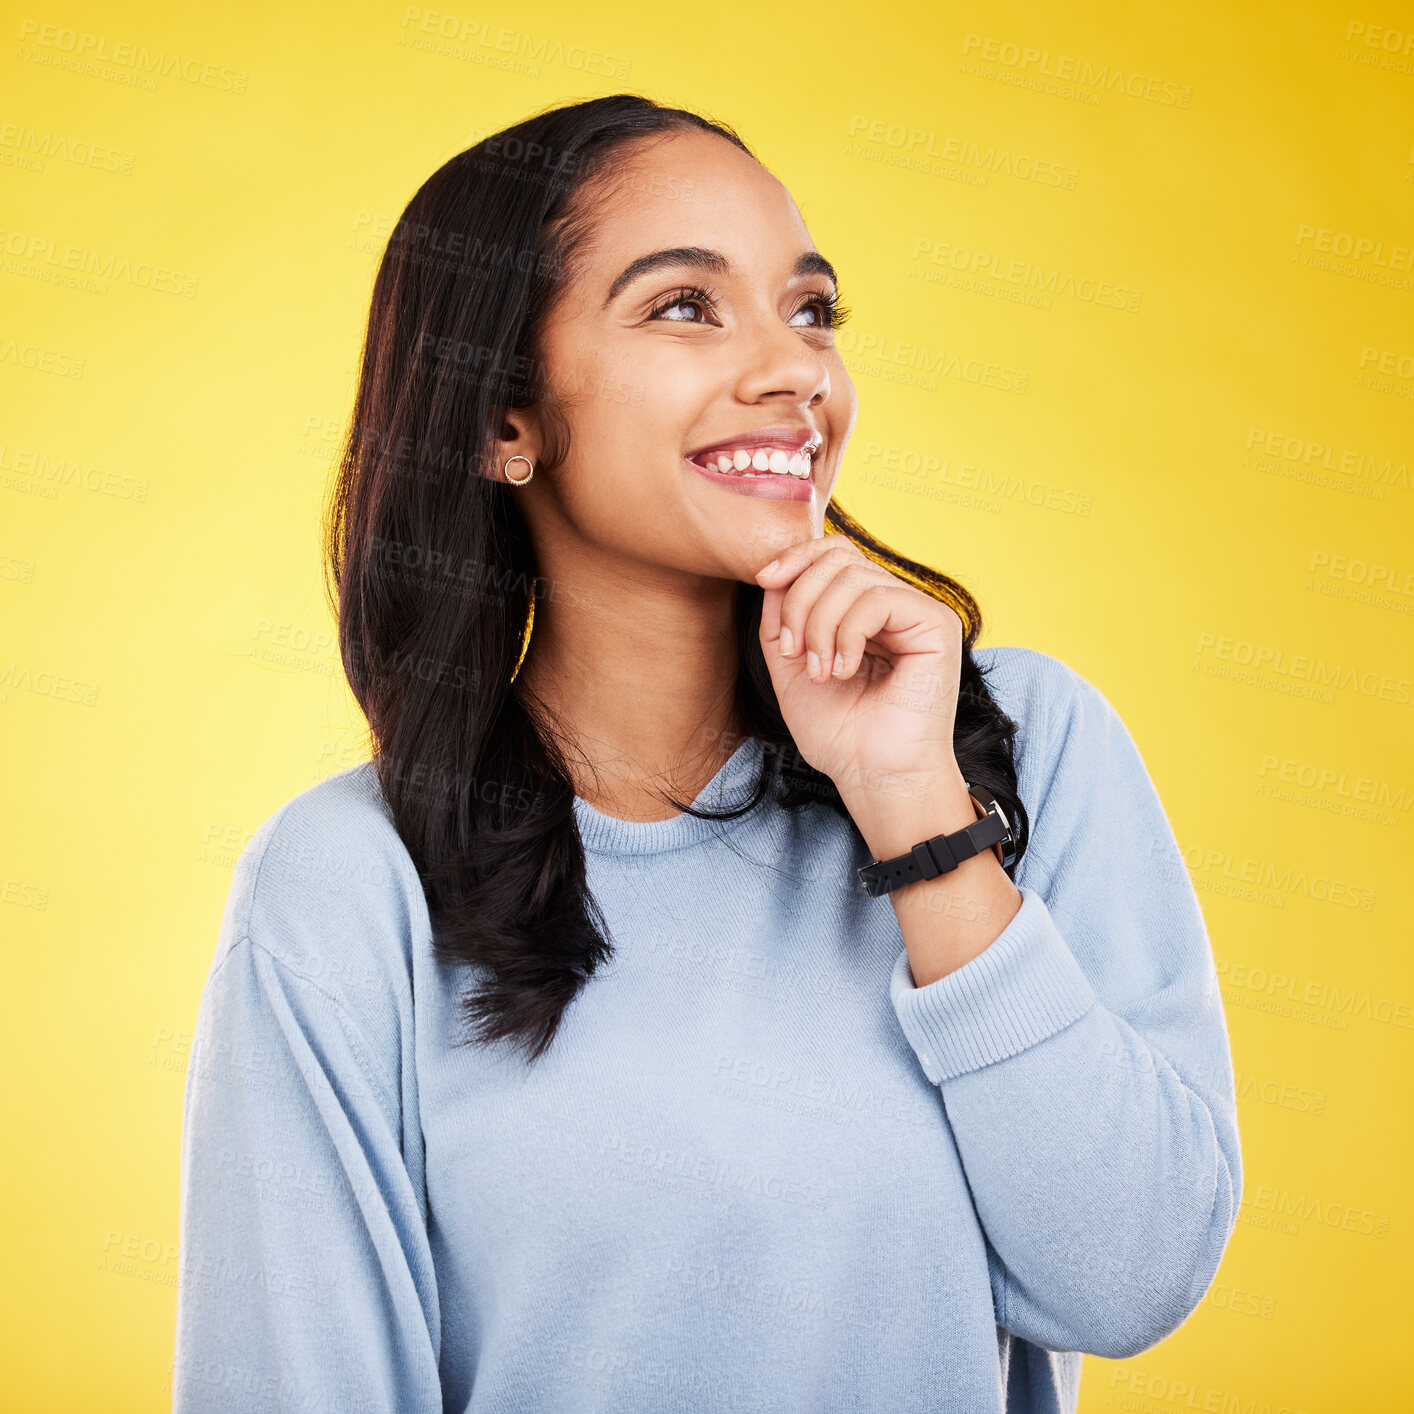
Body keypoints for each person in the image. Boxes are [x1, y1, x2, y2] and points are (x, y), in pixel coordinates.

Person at [172, 94, 1241, 1414]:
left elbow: (1128, 1275)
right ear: (502, 418)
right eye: (684, 307)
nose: (792, 368)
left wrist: (915, 808)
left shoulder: (1016, 747)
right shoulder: (346, 885)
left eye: (809, 310)